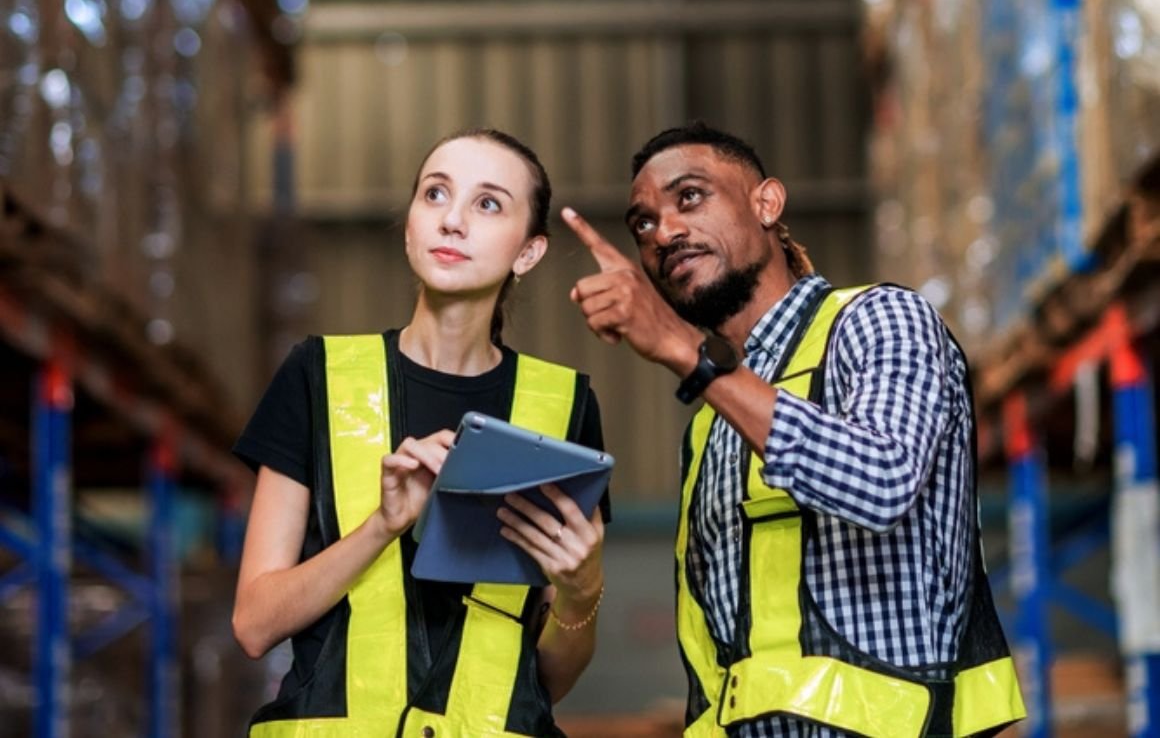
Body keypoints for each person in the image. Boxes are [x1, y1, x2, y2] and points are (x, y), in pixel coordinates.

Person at [564, 122, 1024, 738]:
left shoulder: (878, 321)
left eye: (691, 197)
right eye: (643, 224)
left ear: (767, 203)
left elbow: (882, 481)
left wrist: (686, 353)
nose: (665, 232)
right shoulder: (709, 427)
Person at [232, 128, 608, 738]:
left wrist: (581, 588)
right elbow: (254, 625)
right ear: (410, 225)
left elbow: (550, 678)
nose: (452, 220)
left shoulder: (562, 407)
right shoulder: (319, 376)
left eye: (488, 204)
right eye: (435, 194)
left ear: (529, 253)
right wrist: (382, 526)